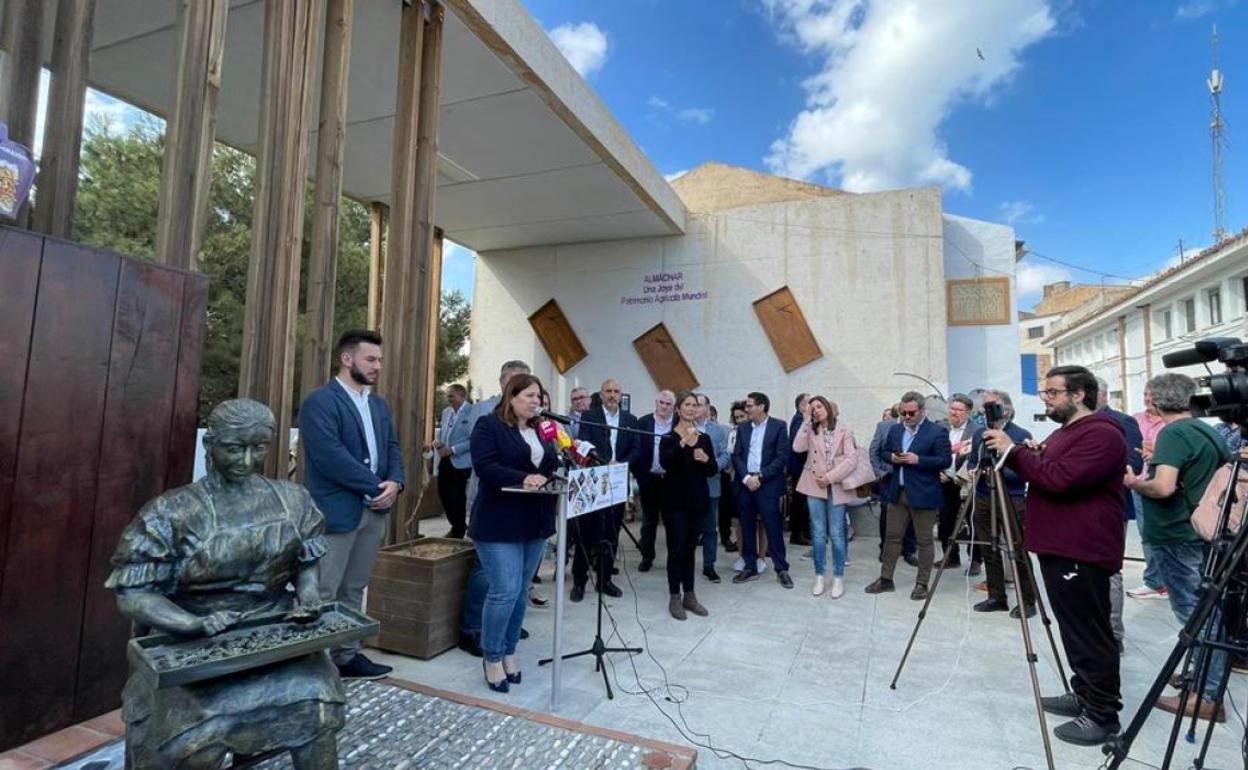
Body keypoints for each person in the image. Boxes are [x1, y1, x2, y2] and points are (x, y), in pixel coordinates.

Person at [108, 399, 343, 768]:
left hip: (274, 631)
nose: (247, 461)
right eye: (234, 448)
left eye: (259, 448)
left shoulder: (293, 500)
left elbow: (306, 564)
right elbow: (135, 596)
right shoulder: (171, 512)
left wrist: (308, 597)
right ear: (209, 444)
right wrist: (191, 624)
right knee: (196, 728)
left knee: (318, 698)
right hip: (193, 643)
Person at [984, 365, 1126, 746]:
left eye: (1052, 392)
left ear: (1078, 395)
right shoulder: (1068, 432)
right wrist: (1033, 454)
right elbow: (1052, 467)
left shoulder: (1102, 433)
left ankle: (1102, 713)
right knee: (1073, 628)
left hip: (1083, 547)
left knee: (1090, 633)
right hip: (1061, 546)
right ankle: (1083, 693)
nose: (1045, 398)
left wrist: (1014, 452)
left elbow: (1060, 479)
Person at [1124, 373, 1231, 721]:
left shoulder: (1173, 433)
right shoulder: (1205, 430)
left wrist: (1134, 483)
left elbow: (1164, 487)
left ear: (1154, 399)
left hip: (1176, 533)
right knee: (1204, 611)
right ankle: (1198, 677)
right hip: (1199, 533)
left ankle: (1206, 695)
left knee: (1197, 616)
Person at [299, 329, 404, 680]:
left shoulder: (378, 403)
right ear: (347, 359)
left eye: (379, 360)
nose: (377, 366)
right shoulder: (320, 402)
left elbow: (392, 447)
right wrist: (376, 485)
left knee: (354, 588)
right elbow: (330, 457)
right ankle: (314, 662)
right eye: (370, 359)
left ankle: (347, 656)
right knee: (324, 589)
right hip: (336, 512)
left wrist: (397, 482)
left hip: (373, 511)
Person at [469, 373, 557, 692]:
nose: (537, 402)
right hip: (499, 522)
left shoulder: (543, 429)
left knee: (520, 591)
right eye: (530, 396)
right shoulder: (489, 426)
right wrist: (525, 477)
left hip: (535, 521)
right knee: (504, 590)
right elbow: (486, 466)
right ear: (512, 396)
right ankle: (491, 656)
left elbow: (551, 464)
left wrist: (556, 472)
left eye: (540, 397)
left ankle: (509, 650)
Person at [458, 360, 531, 658]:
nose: (522, 389)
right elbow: (485, 459)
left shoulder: (530, 418)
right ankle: (472, 628)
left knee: (515, 575)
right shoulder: (485, 412)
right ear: (503, 382)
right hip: (487, 500)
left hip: (521, 505)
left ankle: (504, 625)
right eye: (516, 382)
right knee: (485, 570)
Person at [866, 391, 951, 600]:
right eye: (903, 412)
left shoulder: (936, 431)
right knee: (892, 537)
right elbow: (884, 452)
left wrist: (918, 460)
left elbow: (945, 460)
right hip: (898, 492)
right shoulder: (895, 430)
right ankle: (886, 579)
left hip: (924, 494)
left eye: (911, 413)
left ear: (922, 410)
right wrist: (892, 457)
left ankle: (922, 584)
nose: (907, 416)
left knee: (924, 541)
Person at [570, 378, 639, 601]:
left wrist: (622, 463)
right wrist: (602, 463)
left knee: (611, 533)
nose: (612, 395)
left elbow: (637, 448)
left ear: (621, 395)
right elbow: (584, 444)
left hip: (618, 482)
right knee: (587, 532)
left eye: (616, 391)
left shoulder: (630, 419)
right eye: (608, 391)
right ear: (600, 394)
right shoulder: (590, 417)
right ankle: (579, 580)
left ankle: (604, 580)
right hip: (594, 481)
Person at [969, 389, 1035, 618]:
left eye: (990, 406)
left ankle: (1028, 601)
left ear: (1005, 409)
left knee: (1017, 549)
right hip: (984, 496)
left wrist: (1000, 470)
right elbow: (973, 461)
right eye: (983, 407)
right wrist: (973, 471)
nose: (984, 412)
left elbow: (1025, 471)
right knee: (989, 548)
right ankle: (996, 596)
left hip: (1012, 497)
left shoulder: (1020, 434)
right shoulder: (980, 434)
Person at [659, 392, 719, 619]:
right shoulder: (668, 438)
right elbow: (666, 462)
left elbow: (712, 469)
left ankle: (690, 595)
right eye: (688, 404)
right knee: (676, 549)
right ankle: (675, 596)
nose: (692, 408)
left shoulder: (704, 438)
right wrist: (683, 442)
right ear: (678, 409)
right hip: (674, 501)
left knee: (691, 549)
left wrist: (707, 460)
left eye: (695, 405)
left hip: (697, 500)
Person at [1095, 377, 1143, 654]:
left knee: (1109, 570)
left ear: (1101, 395)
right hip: (1080, 510)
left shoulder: (1122, 422)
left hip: (1109, 507)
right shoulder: (1076, 422)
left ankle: (1113, 635)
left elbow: (1132, 464)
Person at [792, 396, 857, 598]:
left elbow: (851, 459)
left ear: (827, 407)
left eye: (819, 406)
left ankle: (838, 577)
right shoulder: (810, 430)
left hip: (835, 486)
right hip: (813, 485)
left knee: (837, 534)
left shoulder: (844, 430)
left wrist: (829, 478)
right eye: (812, 409)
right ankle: (819, 576)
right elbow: (797, 447)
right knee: (818, 533)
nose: (816, 410)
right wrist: (805, 421)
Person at [731, 391, 794, 589]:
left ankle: (781, 568)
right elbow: (737, 456)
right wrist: (747, 477)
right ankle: (750, 566)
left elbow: (782, 456)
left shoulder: (779, 426)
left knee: (772, 525)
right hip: (746, 483)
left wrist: (760, 476)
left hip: (767, 483)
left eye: (749, 405)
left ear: (761, 406)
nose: (746, 409)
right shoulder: (742, 429)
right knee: (747, 524)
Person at [1128, 384, 1168, 601]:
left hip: (1164, 481)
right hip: (1141, 482)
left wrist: (1155, 451)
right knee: (1147, 535)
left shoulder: (1170, 421)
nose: (1147, 398)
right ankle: (1155, 581)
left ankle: (1163, 581)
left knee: (1163, 534)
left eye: (1152, 395)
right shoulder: (1136, 419)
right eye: (1144, 394)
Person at [869, 404, 918, 567]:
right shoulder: (884, 427)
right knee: (887, 514)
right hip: (889, 477)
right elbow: (874, 451)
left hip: (912, 478)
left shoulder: (920, 428)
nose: (908, 415)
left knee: (911, 514)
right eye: (904, 412)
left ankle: (909, 550)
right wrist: (879, 472)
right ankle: (885, 549)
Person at [635, 390, 676, 572]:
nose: (664, 406)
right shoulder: (643, 422)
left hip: (670, 480)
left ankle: (673, 558)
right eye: (661, 402)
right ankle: (647, 556)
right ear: (656, 402)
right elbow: (636, 450)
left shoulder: (678, 423)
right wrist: (640, 475)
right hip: (649, 478)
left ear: (673, 406)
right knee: (649, 521)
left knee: (671, 521)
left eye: (668, 404)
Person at [937, 394, 980, 569]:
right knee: (946, 522)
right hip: (945, 482)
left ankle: (975, 560)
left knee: (973, 522)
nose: (954, 412)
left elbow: (978, 457)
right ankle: (950, 557)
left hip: (966, 484)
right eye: (952, 408)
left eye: (958, 410)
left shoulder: (977, 430)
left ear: (968, 413)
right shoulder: (940, 427)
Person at [695, 393, 730, 583]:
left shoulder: (718, 431)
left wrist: (711, 464)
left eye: (700, 405)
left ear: (708, 408)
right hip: (689, 486)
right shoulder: (684, 429)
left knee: (709, 528)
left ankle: (709, 565)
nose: (695, 408)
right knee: (689, 528)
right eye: (693, 404)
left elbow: (726, 456)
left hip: (711, 484)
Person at [431, 383, 473, 539]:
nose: (448, 399)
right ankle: (458, 525)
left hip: (462, 462)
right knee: (443, 493)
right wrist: (439, 442)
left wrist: (453, 449)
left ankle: (458, 530)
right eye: (447, 396)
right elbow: (443, 432)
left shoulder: (472, 413)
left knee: (457, 496)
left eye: (451, 396)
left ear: (462, 396)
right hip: (445, 459)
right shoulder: (446, 412)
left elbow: (473, 439)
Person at [787, 393, 812, 547]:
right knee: (800, 502)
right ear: (802, 405)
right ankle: (798, 533)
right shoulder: (799, 420)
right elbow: (798, 445)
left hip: (803, 468)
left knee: (803, 502)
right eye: (809, 403)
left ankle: (803, 532)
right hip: (800, 468)